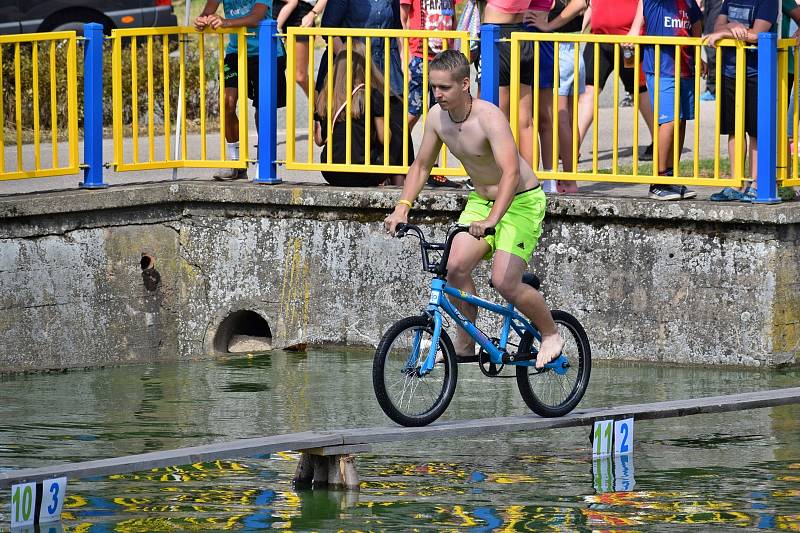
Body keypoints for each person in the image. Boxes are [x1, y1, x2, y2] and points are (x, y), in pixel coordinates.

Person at [383, 50, 565, 368]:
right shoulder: (438, 119)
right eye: (433, 87)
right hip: (481, 202)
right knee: (454, 268)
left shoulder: (488, 117)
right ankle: (465, 343)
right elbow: (422, 165)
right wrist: (402, 207)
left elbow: (510, 172)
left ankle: (550, 334)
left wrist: (494, 219)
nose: (437, 94)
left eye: (444, 88)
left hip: (521, 201)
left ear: (465, 84)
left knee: (505, 283)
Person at [195, 0, 287, 181]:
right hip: (237, 52)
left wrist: (225, 22)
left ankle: (264, 162)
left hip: (266, 50)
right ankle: (236, 165)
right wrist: (201, 21)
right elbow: (207, 12)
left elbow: (256, 17)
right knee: (227, 103)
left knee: (262, 109)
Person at [704, 0, 779, 201]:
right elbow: (716, 26)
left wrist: (724, 32)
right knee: (733, 130)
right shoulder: (729, 0)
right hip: (730, 71)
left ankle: (756, 184)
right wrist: (730, 27)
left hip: (757, 72)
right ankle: (737, 184)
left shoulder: (768, 2)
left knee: (756, 131)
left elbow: (757, 35)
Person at [631, 0, 700, 200]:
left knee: (680, 121)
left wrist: (698, 57)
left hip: (685, 68)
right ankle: (658, 180)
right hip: (662, 69)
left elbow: (695, 24)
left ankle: (671, 175)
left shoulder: (688, 2)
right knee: (669, 121)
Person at [314, 46, 411, 186]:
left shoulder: (327, 96)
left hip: (330, 172)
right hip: (363, 172)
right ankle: (399, 185)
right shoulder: (371, 95)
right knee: (398, 129)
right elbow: (384, 138)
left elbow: (319, 140)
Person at [577, 0, 656, 162]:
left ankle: (660, 141)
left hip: (629, 41)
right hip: (598, 39)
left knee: (640, 92)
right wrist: (579, 30)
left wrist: (635, 31)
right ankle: (572, 146)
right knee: (587, 92)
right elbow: (591, 5)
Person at [525, 0, 587, 194]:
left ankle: (565, 181)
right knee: (562, 119)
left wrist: (549, 25)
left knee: (555, 119)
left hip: (556, 44)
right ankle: (566, 180)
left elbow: (580, 3)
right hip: (562, 45)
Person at [400, 0, 463, 188]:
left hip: (443, 57)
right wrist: (405, 53)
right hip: (419, 56)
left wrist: (453, 47)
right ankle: (397, 164)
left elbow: (453, 15)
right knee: (411, 112)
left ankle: (434, 170)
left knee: (441, 114)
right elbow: (402, 18)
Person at [273, 0, 328, 97]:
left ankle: (322, 107)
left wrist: (312, 14)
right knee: (264, 68)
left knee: (299, 75)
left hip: (302, 13)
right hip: (276, 7)